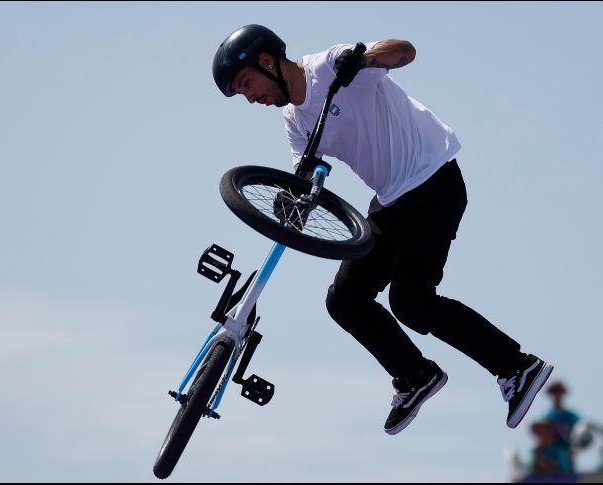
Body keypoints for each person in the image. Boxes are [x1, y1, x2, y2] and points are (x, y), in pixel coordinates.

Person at [212, 24, 553, 435]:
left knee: (411, 302)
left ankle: (517, 366)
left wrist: (365, 59)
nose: (250, 97)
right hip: (392, 200)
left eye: (247, 84)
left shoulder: (331, 67)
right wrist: (296, 197)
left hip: (433, 182)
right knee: (345, 299)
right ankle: (416, 376)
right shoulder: (294, 119)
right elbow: (308, 171)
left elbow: (404, 50)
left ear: (268, 62)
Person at [543, 380, 581, 467]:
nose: (556, 395)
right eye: (554, 392)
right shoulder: (545, 418)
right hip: (548, 462)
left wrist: (574, 450)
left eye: (559, 392)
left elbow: (580, 436)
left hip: (566, 460)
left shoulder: (572, 417)